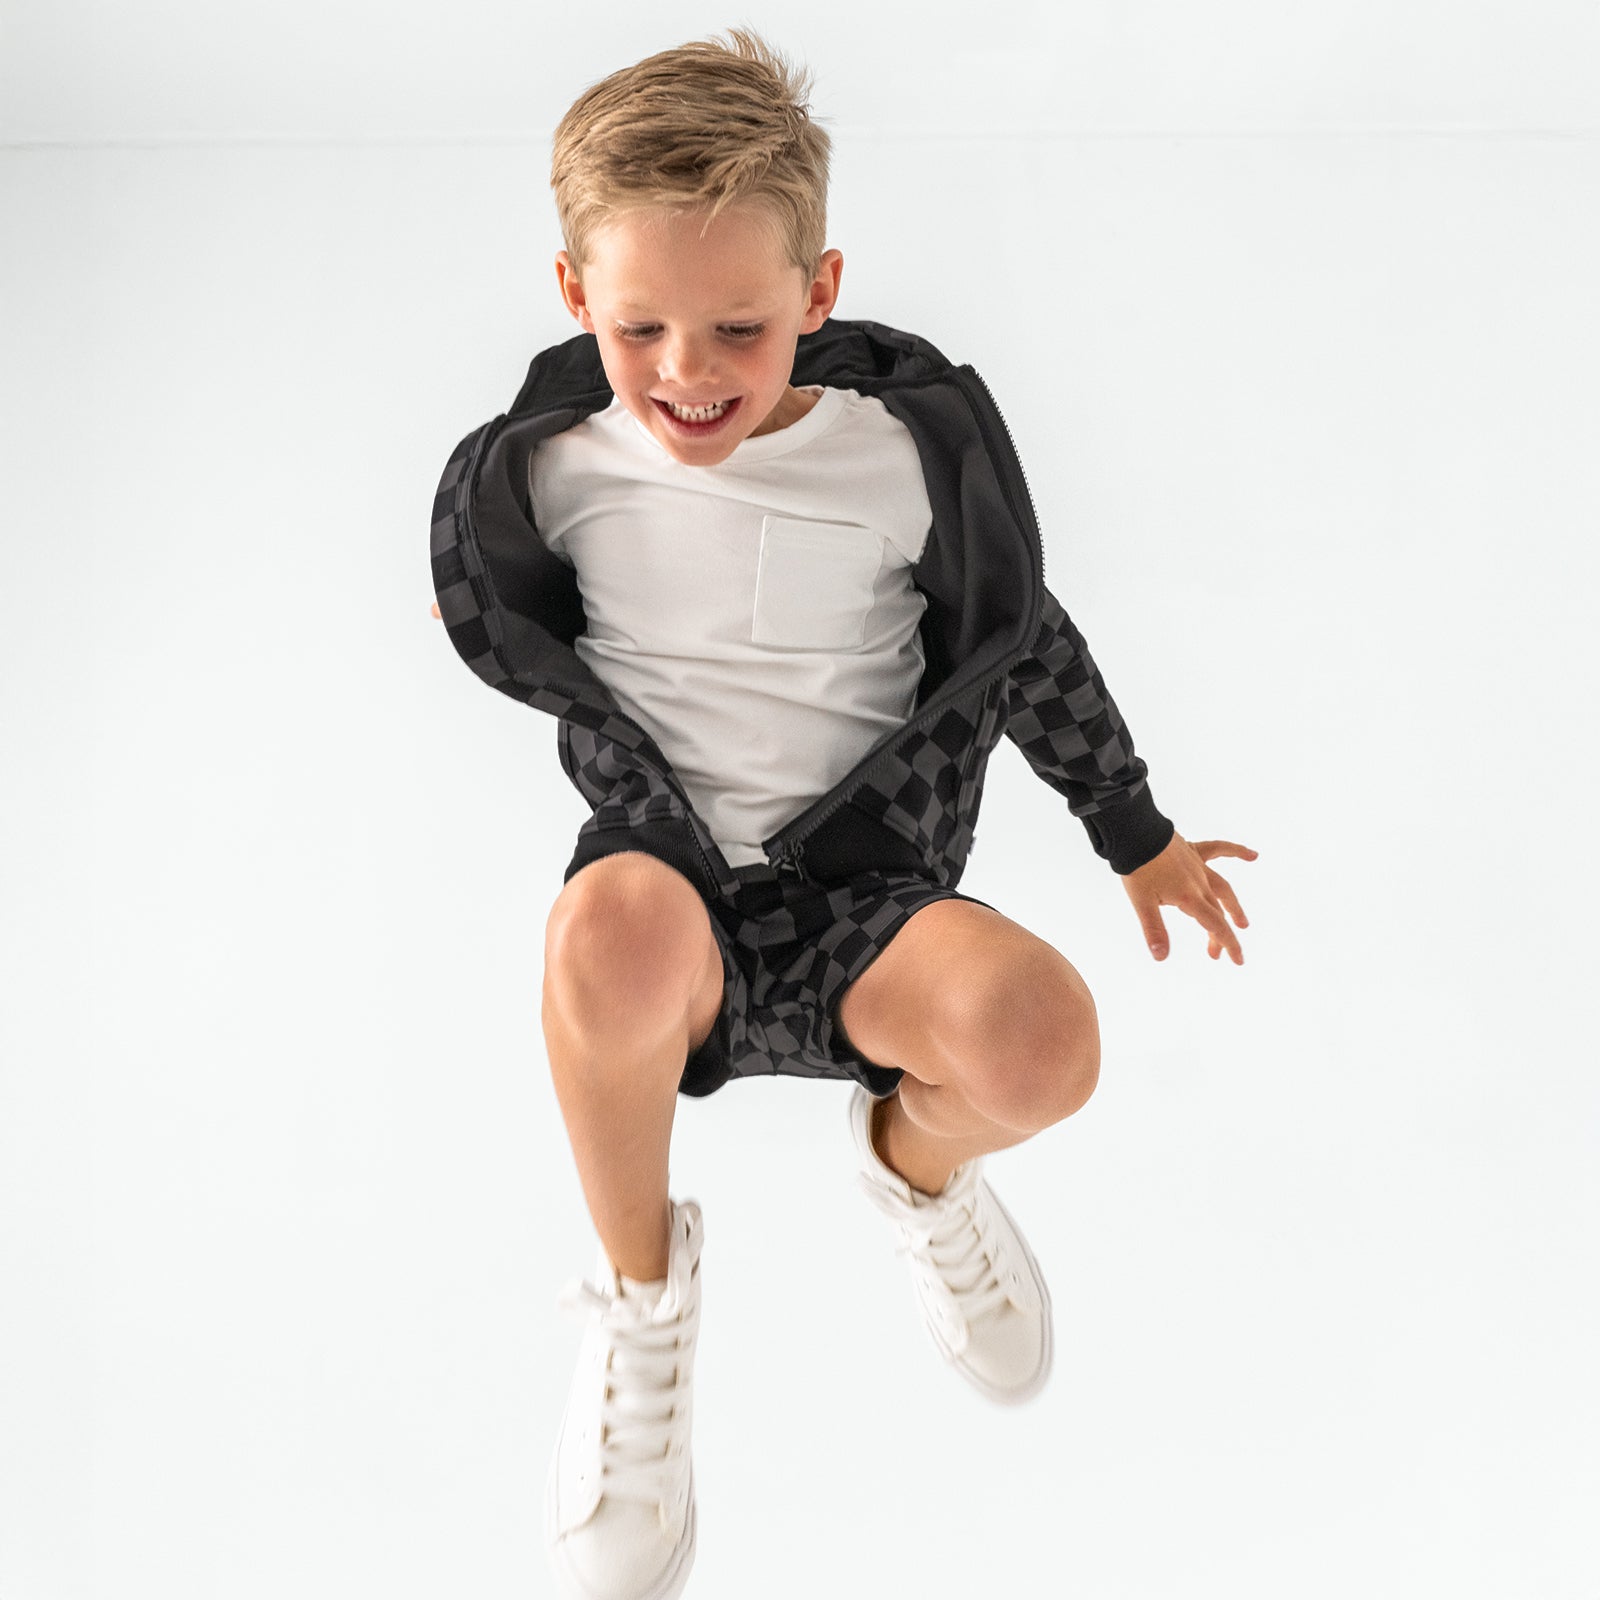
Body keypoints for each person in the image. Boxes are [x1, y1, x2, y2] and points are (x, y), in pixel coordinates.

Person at [429, 27, 1257, 1600]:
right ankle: (641, 1304)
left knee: (1046, 1041)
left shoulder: (899, 464)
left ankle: (916, 1167)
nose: (688, 371)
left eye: (738, 326)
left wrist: (1133, 830)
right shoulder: (548, 476)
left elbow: (1024, 647)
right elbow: (505, 599)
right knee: (600, 932)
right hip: (674, 902)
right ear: (574, 297)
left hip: (867, 904)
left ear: (818, 291)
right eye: (641, 328)